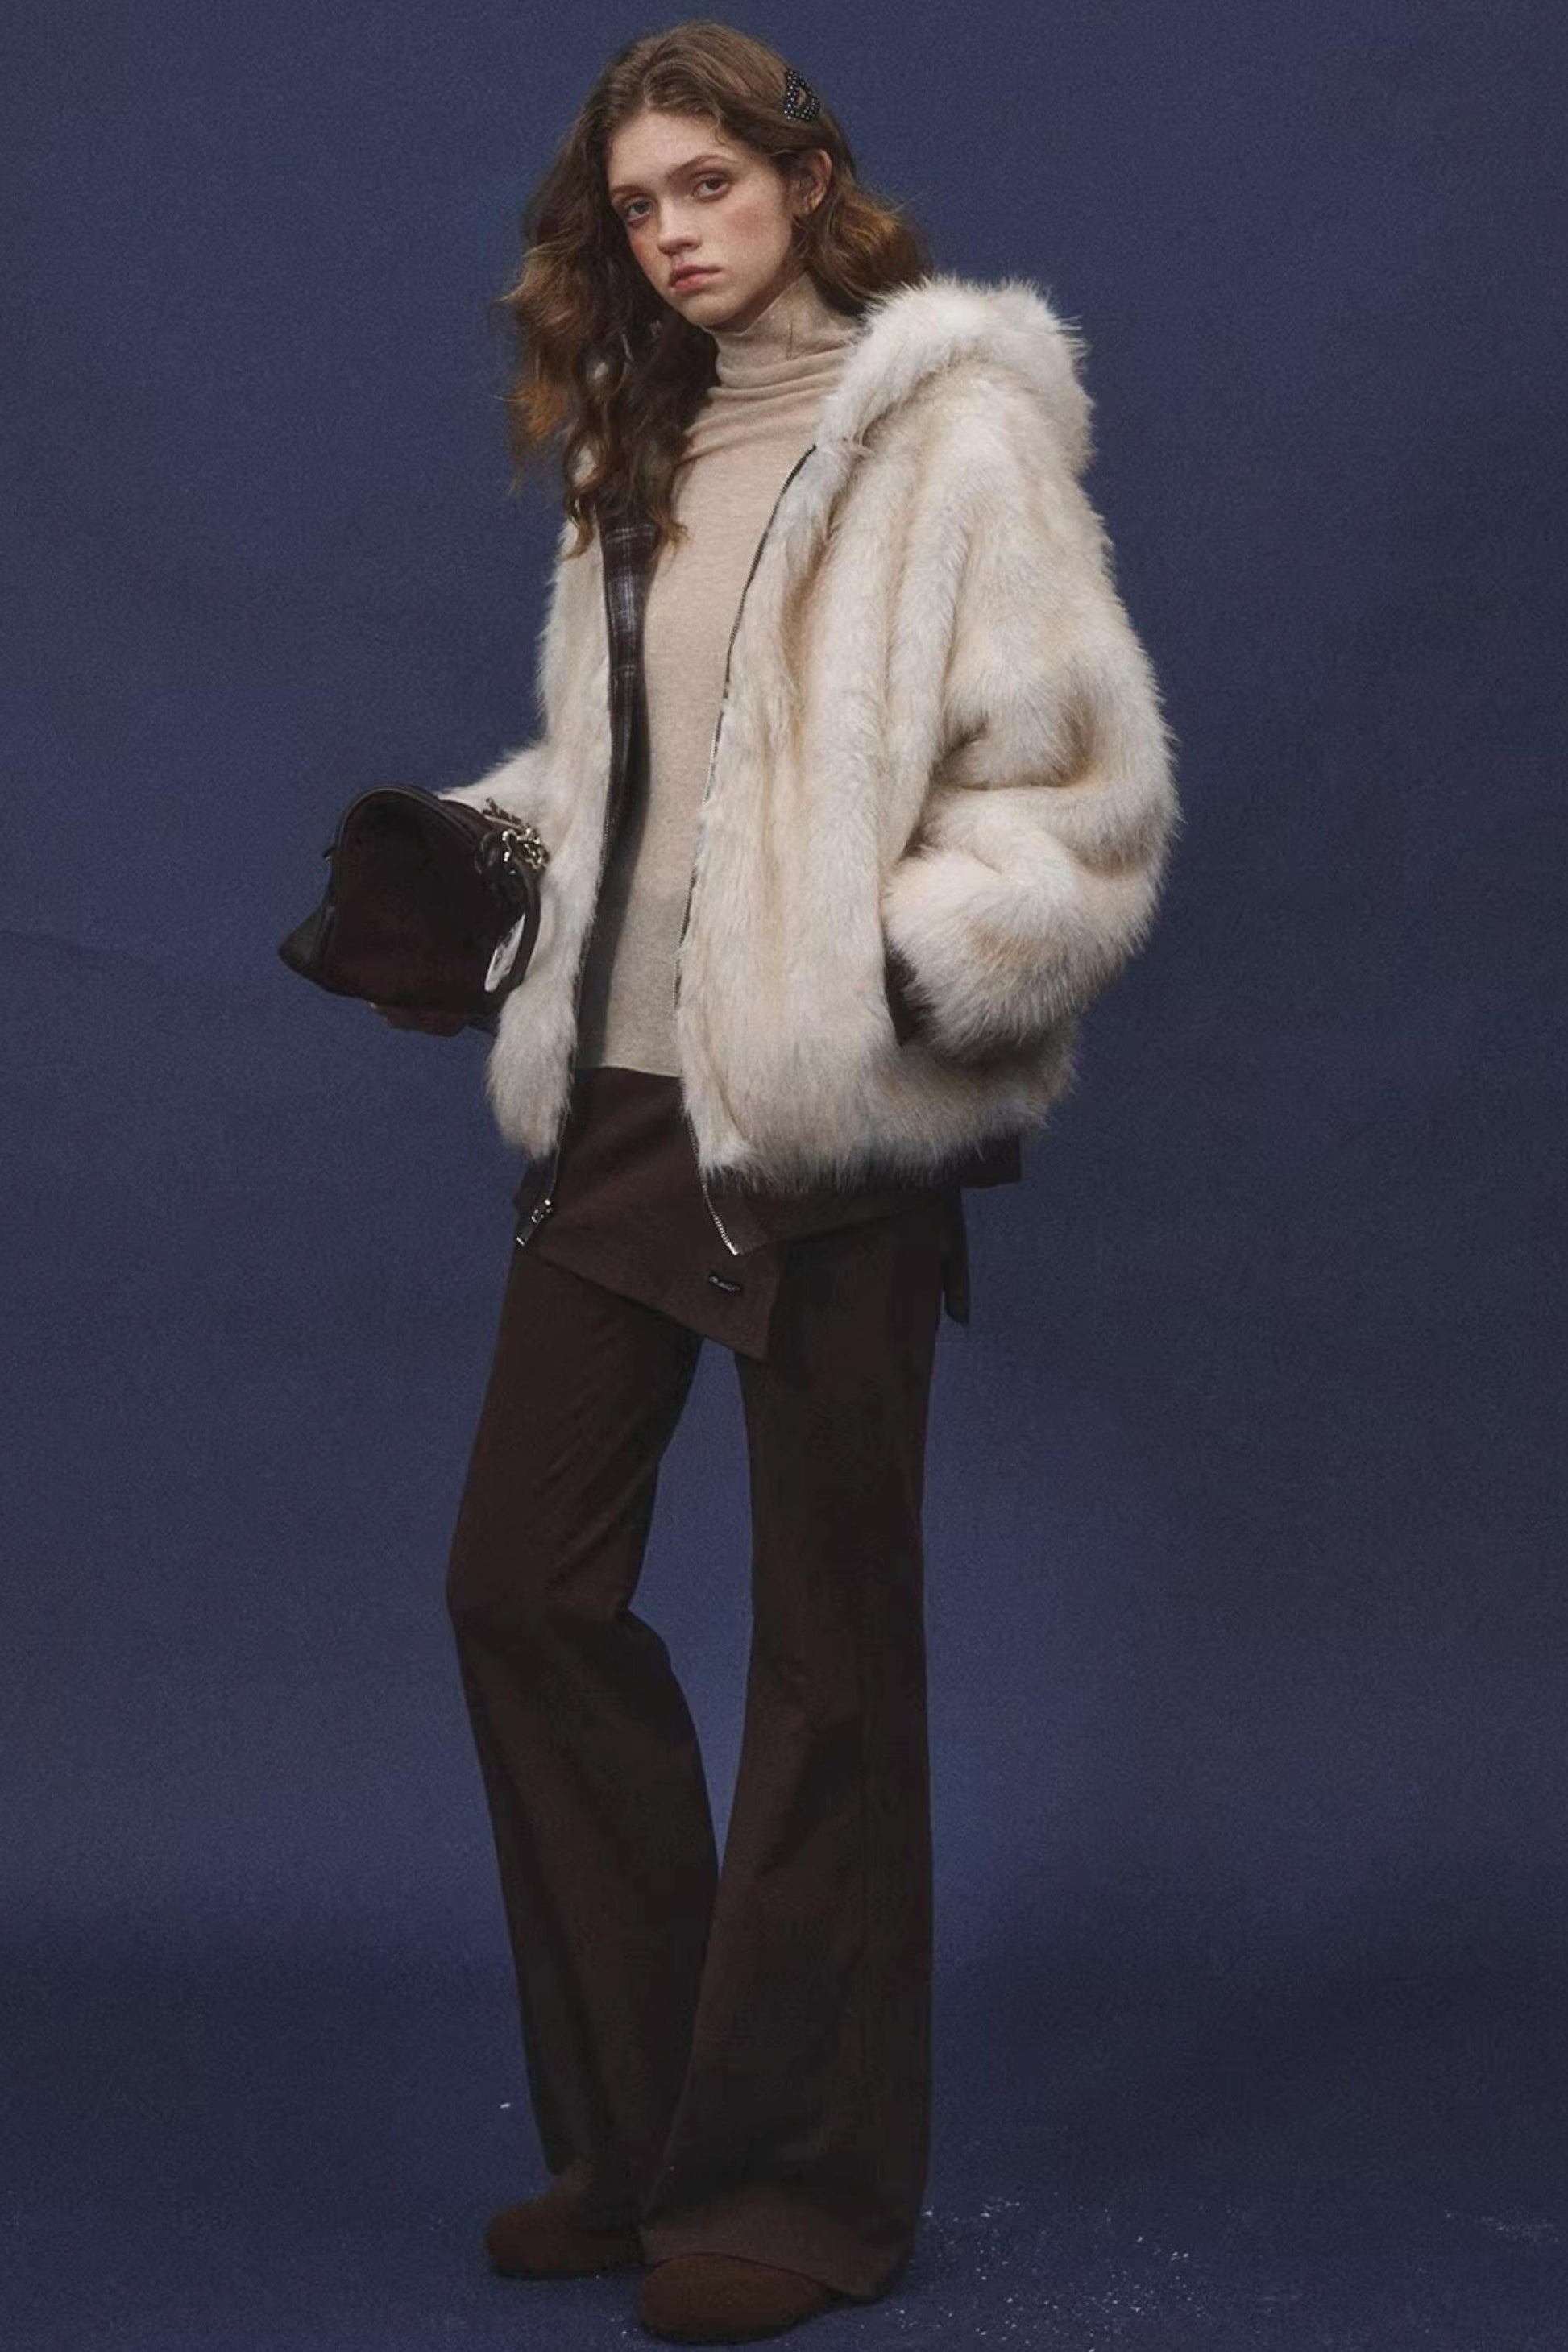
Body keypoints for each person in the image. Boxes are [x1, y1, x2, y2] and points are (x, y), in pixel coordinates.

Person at [374, 22, 1179, 2342]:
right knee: (519, 1587)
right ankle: (646, 2146)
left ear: (807, 180)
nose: (671, 234)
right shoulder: (635, 444)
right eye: (635, 204)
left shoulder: (951, 438)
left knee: (831, 1660)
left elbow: (1074, 793)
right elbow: (640, 771)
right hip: (621, 1102)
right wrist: (477, 854)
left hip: (824, 1116)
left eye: (707, 184)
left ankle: (800, 2195)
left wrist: (894, 980)